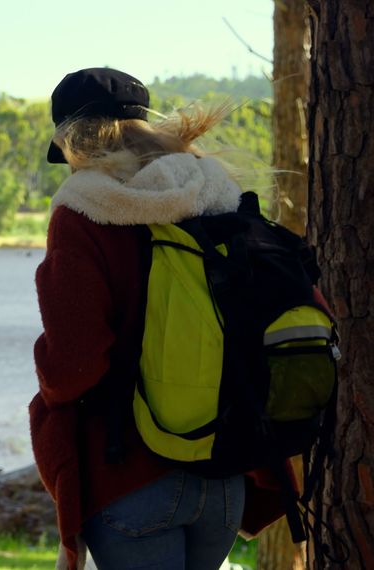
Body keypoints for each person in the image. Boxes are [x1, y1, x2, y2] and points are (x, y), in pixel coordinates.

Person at [29, 68, 295, 570]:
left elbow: (74, 366)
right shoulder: (218, 197)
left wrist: (46, 379)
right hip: (224, 474)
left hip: (129, 474)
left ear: (73, 142)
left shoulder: (83, 211)